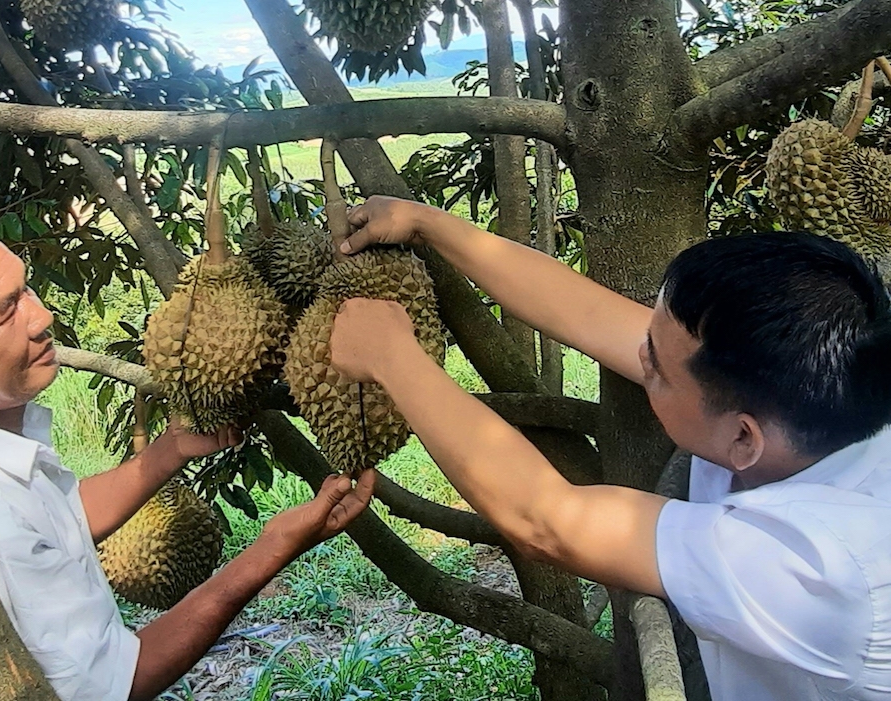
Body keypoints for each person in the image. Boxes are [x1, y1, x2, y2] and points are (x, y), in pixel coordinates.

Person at [329, 195, 891, 700]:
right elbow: (592, 316)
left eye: (659, 371)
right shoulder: (816, 396)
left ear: (744, 436)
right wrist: (426, 223)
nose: (641, 359)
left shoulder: (825, 569)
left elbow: (547, 520)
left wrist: (390, 357)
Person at [0, 201, 376, 701]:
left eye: (25, 289)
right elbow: (117, 684)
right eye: (6, 313)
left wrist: (169, 450)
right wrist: (273, 550)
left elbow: (54, 522)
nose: (43, 316)